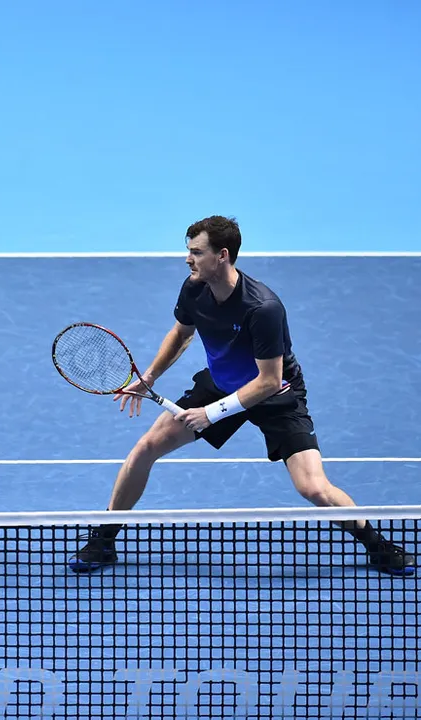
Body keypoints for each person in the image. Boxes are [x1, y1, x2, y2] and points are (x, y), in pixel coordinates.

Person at [69, 215, 415, 577]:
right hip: (219, 383)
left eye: (196, 252)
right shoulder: (193, 289)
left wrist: (211, 413)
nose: (188, 259)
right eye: (188, 251)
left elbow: (268, 381)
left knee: (314, 488)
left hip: (275, 396)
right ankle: (104, 540)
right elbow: (181, 333)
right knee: (145, 449)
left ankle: (378, 545)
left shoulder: (262, 308)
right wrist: (150, 376)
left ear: (222, 255)